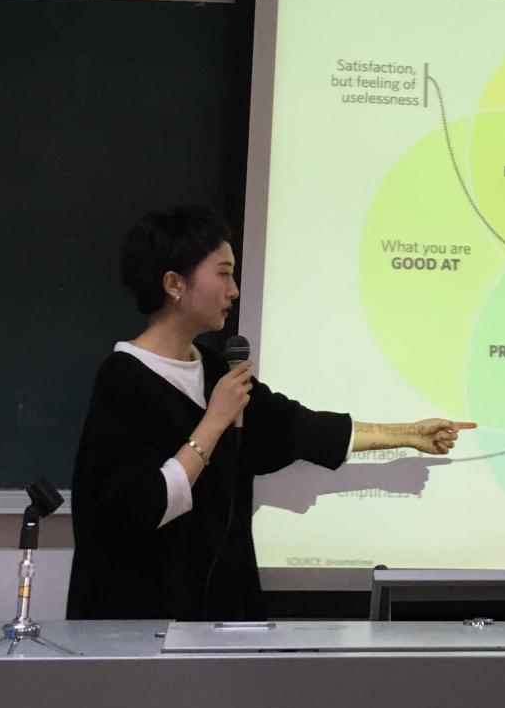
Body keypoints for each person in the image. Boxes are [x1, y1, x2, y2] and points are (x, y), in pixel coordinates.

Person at [66, 205, 474, 622]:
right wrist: (214, 421)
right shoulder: (123, 379)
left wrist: (409, 433)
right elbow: (139, 507)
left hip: (220, 616)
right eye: (223, 274)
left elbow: (299, 428)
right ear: (175, 284)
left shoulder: (215, 370)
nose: (234, 291)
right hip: (141, 621)